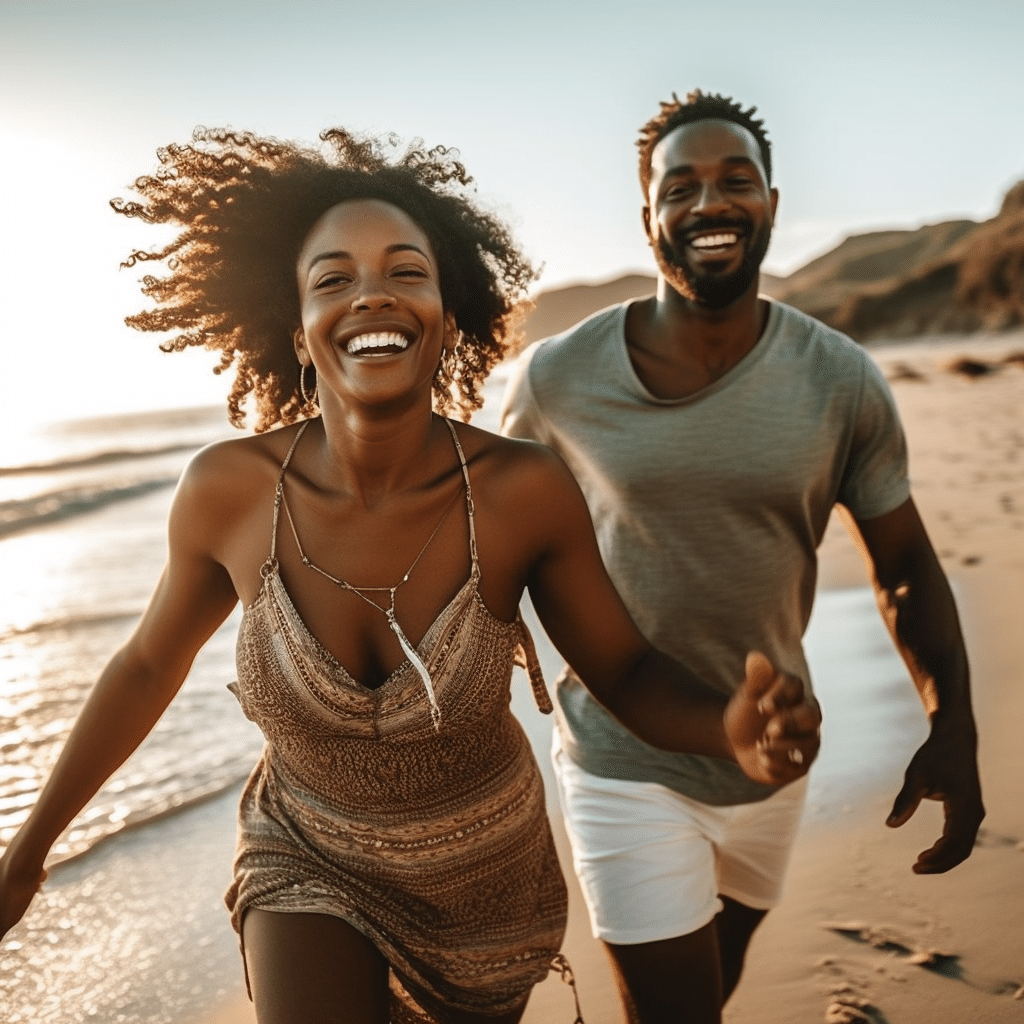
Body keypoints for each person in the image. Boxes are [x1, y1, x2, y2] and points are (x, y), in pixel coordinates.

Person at [0, 127, 820, 1024]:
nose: (371, 297)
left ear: (449, 310)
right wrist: (27, 850)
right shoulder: (227, 493)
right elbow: (146, 667)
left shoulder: (521, 492)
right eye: (333, 280)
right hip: (304, 850)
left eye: (406, 271)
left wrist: (729, 728)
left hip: (485, 885)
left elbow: (622, 670)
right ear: (297, 332)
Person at [501, 90, 985, 1024]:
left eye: (734, 181)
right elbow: (497, 548)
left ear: (769, 200)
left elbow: (906, 565)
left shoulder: (839, 378)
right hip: (618, 757)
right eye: (678, 186)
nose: (708, 203)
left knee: (709, 988)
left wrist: (951, 721)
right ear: (648, 217)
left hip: (774, 751)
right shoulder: (557, 379)